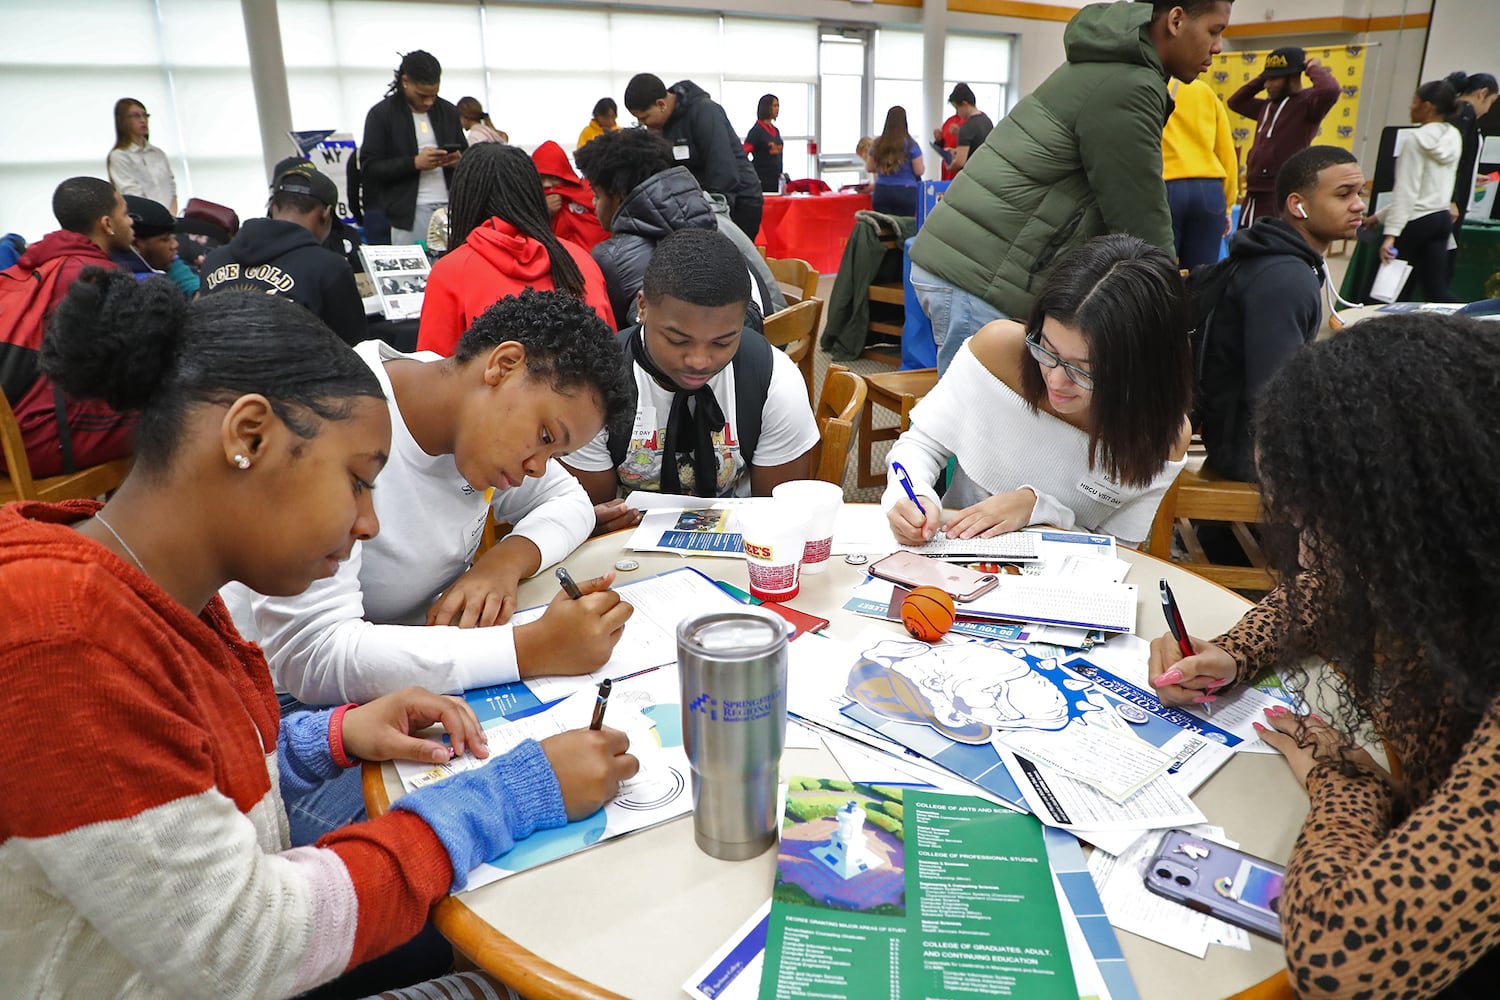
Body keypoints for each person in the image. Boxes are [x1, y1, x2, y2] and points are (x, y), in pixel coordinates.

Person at [0, 268, 638, 999]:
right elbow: (246, 947)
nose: (368, 522)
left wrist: (329, 737)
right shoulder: (64, 646)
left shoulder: (165, 602)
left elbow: (194, 778)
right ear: (248, 437)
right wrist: (509, 794)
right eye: (360, 481)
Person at [1147, 312, 1500, 997]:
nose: (1305, 554)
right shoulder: (1457, 572)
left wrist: (1348, 790)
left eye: (1322, 527)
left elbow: (1343, 961)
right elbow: (1330, 587)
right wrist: (1236, 651)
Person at [229, 289, 632, 712]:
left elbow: (568, 499)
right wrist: (529, 648)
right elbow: (313, 656)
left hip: (409, 668)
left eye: (556, 454)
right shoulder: (332, 426)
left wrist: (504, 562)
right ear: (504, 365)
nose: (538, 467)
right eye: (546, 437)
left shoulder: (473, 419)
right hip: (279, 704)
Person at [908, 0, 1235, 375]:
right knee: (976, 425)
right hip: (979, 274)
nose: (1218, 47)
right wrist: (1173, 321)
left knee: (991, 417)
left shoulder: (1111, 66)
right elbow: (1139, 215)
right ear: (1176, 20)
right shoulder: (1129, 84)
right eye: (1214, 30)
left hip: (974, 262)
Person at [885, 234, 1193, 549]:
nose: (1056, 381)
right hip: (954, 560)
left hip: (1060, 588)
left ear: (1140, 369)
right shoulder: (999, 350)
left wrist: (1039, 510)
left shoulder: (1160, 433)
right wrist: (911, 495)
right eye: (1046, 349)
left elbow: (1119, 552)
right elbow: (921, 445)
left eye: (1083, 369)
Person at [563, 229, 817, 515]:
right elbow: (592, 515)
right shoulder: (593, 384)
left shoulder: (773, 381)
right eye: (677, 340)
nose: (699, 361)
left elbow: (779, 515)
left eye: (722, 342)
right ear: (643, 307)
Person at [1199, 146, 1366, 482]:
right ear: (1297, 205)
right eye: (1343, 194)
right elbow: (1274, 396)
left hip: (1237, 440)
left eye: (1359, 193)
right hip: (1250, 456)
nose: (1359, 204)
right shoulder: (1284, 278)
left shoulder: (1279, 262)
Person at [574, 127, 783, 330]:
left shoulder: (612, 256)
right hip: (768, 332)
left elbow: (612, 334)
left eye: (597, 195)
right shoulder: (714, 215)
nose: (593, 203)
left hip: (712, 357)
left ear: (619, 195)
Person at [416, 143, 613, 356]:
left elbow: (434, 370)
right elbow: (611, 352)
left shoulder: (451, 271)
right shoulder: (579, 259)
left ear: (464, 199)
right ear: (534, 192)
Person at [0, 176, 135, 478]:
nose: (131, 222)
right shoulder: (94, 276)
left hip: (9, 437)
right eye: (125, 214)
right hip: (39, 441)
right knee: (176, 416)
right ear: (107, 224)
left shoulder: (36, 265)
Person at [199, 166, 368, 347]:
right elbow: (356, 350)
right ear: (326, 214)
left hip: (217, 372)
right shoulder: (330, 267)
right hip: (302, 373)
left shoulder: (213, 261)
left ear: (272, 207)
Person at [623, 73, 764, 240]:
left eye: (644, 118)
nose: (644, 125)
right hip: (703, 205)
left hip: (738, 202)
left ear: (661, 104)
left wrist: (716, 217)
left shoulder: (705, 111)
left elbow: (723, 170)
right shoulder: (664, 126)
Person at [1364, 80, 1462, 302]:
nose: (1410, 107)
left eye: (1414, 102)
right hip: (1440, 219)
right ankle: (1468, 327)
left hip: (1414, 222)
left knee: (1382, 291)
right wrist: (1378, 217)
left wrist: (1390, 236)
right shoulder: (1453, 136)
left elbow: (1407, 192)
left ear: (1427, 106)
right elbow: (1426, 192)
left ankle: (1371, 333)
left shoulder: (1415, 140)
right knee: (1435, 290)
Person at [360, 50, 466, 245]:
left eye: (434, 95)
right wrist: (414, 163)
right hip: (407, 213)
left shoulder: (449, 112)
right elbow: (369, 169)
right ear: (405, 81)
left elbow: (468, 155)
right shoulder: (381, 114)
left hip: (453, 209)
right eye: (422, 95)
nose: (428, 102)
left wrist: (459, 161)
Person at [1227, 46, 1340, 229]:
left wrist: (1311, 67)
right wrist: (1264, 76)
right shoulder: (1267, 106)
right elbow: (1236, 101)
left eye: (1274, 79)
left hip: (1278, 192)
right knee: (1244, 242)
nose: (1267, 85)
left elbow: (1330, 90)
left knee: (1269, 245)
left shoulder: (1307, 105)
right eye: (1266, 79)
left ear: (1294, 76)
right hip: (1254, 191)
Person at [1162, 78, 1239, 268]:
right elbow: (1226, 152)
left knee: (1161, 274)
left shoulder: (1151, 87)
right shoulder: (1205, 91)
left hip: (1165, 186)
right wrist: (1228, 205)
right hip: (1209, 190)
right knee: (1203, 279)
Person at [1444, 70, 1498, 261]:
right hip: (1448, 205)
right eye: (1491, 102)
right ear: (1482, 93)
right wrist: (1450, 198)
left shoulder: (1464, 115)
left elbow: (1463, 159)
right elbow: (1451, 159)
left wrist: (1471, 176)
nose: (1489, 109)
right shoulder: (1463, 113)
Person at [111, 195, 200, 297]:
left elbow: (190, 285)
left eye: (173, 237)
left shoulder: (166, 262)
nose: (175, 245)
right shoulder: (130, 287)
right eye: (165, 239)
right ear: (135, 245)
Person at [531, 140, 610, 253]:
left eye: (553, 178)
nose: (547, 184)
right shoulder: (529, 200)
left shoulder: (589, 192)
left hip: (599, 259)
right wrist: (543, 210)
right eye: (541, 178)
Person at [107, 97, 177, 214]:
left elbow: (171, 187)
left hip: (169, 219)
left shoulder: (158, 153)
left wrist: (171, 216)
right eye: (136, 116)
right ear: (123, 121)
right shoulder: (119, 156)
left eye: (145, 115)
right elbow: (131, 194)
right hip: (145, 221)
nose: (143, 120)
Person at [863, 106, 924, 217]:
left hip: (882, 191)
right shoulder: (911, 144)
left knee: (883, 227)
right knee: (903, 228)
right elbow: (919, 171)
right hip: (906, 192)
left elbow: (870, 167)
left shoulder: (878, 143)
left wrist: (886, 166)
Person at [946, 84, 994, 175]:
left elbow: (960, 162)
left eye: (957, 108)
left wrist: (949, 165)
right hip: (988, 172)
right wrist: (956, 151)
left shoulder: (966, 128)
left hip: (972, 176)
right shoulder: (987, 121)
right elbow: (977, 148)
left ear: (964, 104)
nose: (957, 113)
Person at [743, 94, 784, 193]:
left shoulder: (776, 131)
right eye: (774, 106)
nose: (777, 109)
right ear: (767, 107)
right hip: (762, 182)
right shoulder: (756, 131)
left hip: (776, 181)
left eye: (778, 106)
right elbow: (743, 153)